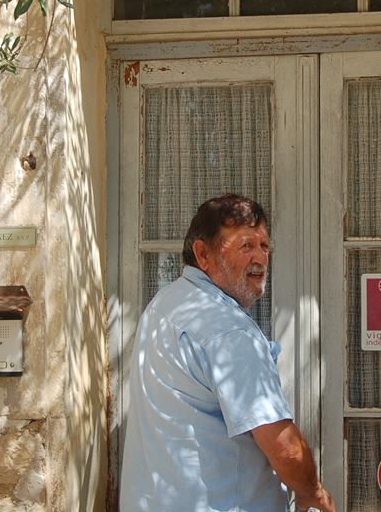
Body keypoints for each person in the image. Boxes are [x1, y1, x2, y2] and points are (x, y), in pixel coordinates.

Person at [120, 194, 335, 512]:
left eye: (264, 246)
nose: (260, 258)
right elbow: (282, 445)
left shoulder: (165, 303)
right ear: (203, 254)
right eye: (246, 246)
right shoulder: (228, 329)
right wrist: (312, 492)